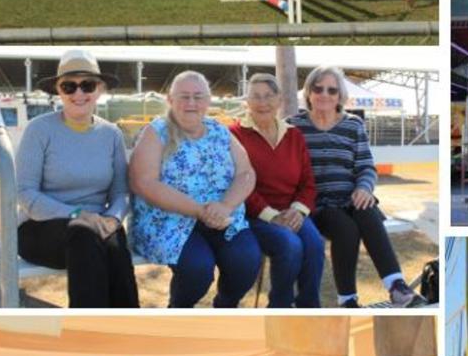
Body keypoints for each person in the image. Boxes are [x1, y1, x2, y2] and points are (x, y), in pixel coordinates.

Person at [288, 66, 422, 308]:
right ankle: (347, 299)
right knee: (346, 229)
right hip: (318, 204)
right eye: (318, 89)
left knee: (368, 210)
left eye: (332, 90)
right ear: (308, 93)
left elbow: (366, 167)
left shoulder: (353, 125)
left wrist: (364, 188)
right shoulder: (293, 127)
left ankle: (396, 286)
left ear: (340, 96)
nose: (325, 95)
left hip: (351, 198)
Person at [16, 49, 139, 308]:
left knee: (115, 244)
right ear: (58, 91)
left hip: (97, 226)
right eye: (69, 86)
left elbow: (121, 192)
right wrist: (78, 215)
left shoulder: (111, 134)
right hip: (42, 228)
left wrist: (114, 218)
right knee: (85, 235)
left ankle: (126, 330)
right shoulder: (39, 130)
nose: (79, 94)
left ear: (100, 89)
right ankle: (86, 331)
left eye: (87, 85)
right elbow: (26, 193)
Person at [130, 71, 261, 308]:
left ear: (208, 101)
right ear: (170, 100)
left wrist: (225, 206)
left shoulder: (221, 132)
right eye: (184, 96)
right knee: (198, 269)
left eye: (198, 96)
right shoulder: (156, 132)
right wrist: (200, 211)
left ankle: (225, 308)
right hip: (167, 221)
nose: (191, 103)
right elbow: (143, 182)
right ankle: (179, 313)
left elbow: (246, 172)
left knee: (246, 261)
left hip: (221, 216)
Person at [229, 73, 324, 307]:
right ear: (247, 102)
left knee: (314, 245)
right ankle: (279, 306)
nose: (263, 103)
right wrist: (272, 216)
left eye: (269, 96)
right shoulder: (234, 135)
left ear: (279, 100)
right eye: (256, 97)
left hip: (292, 212)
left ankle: (309, 307)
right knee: (290, 245)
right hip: (253, 215)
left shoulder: (294, 135)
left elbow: (307, 182)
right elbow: (238, 183)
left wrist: (298, 211)